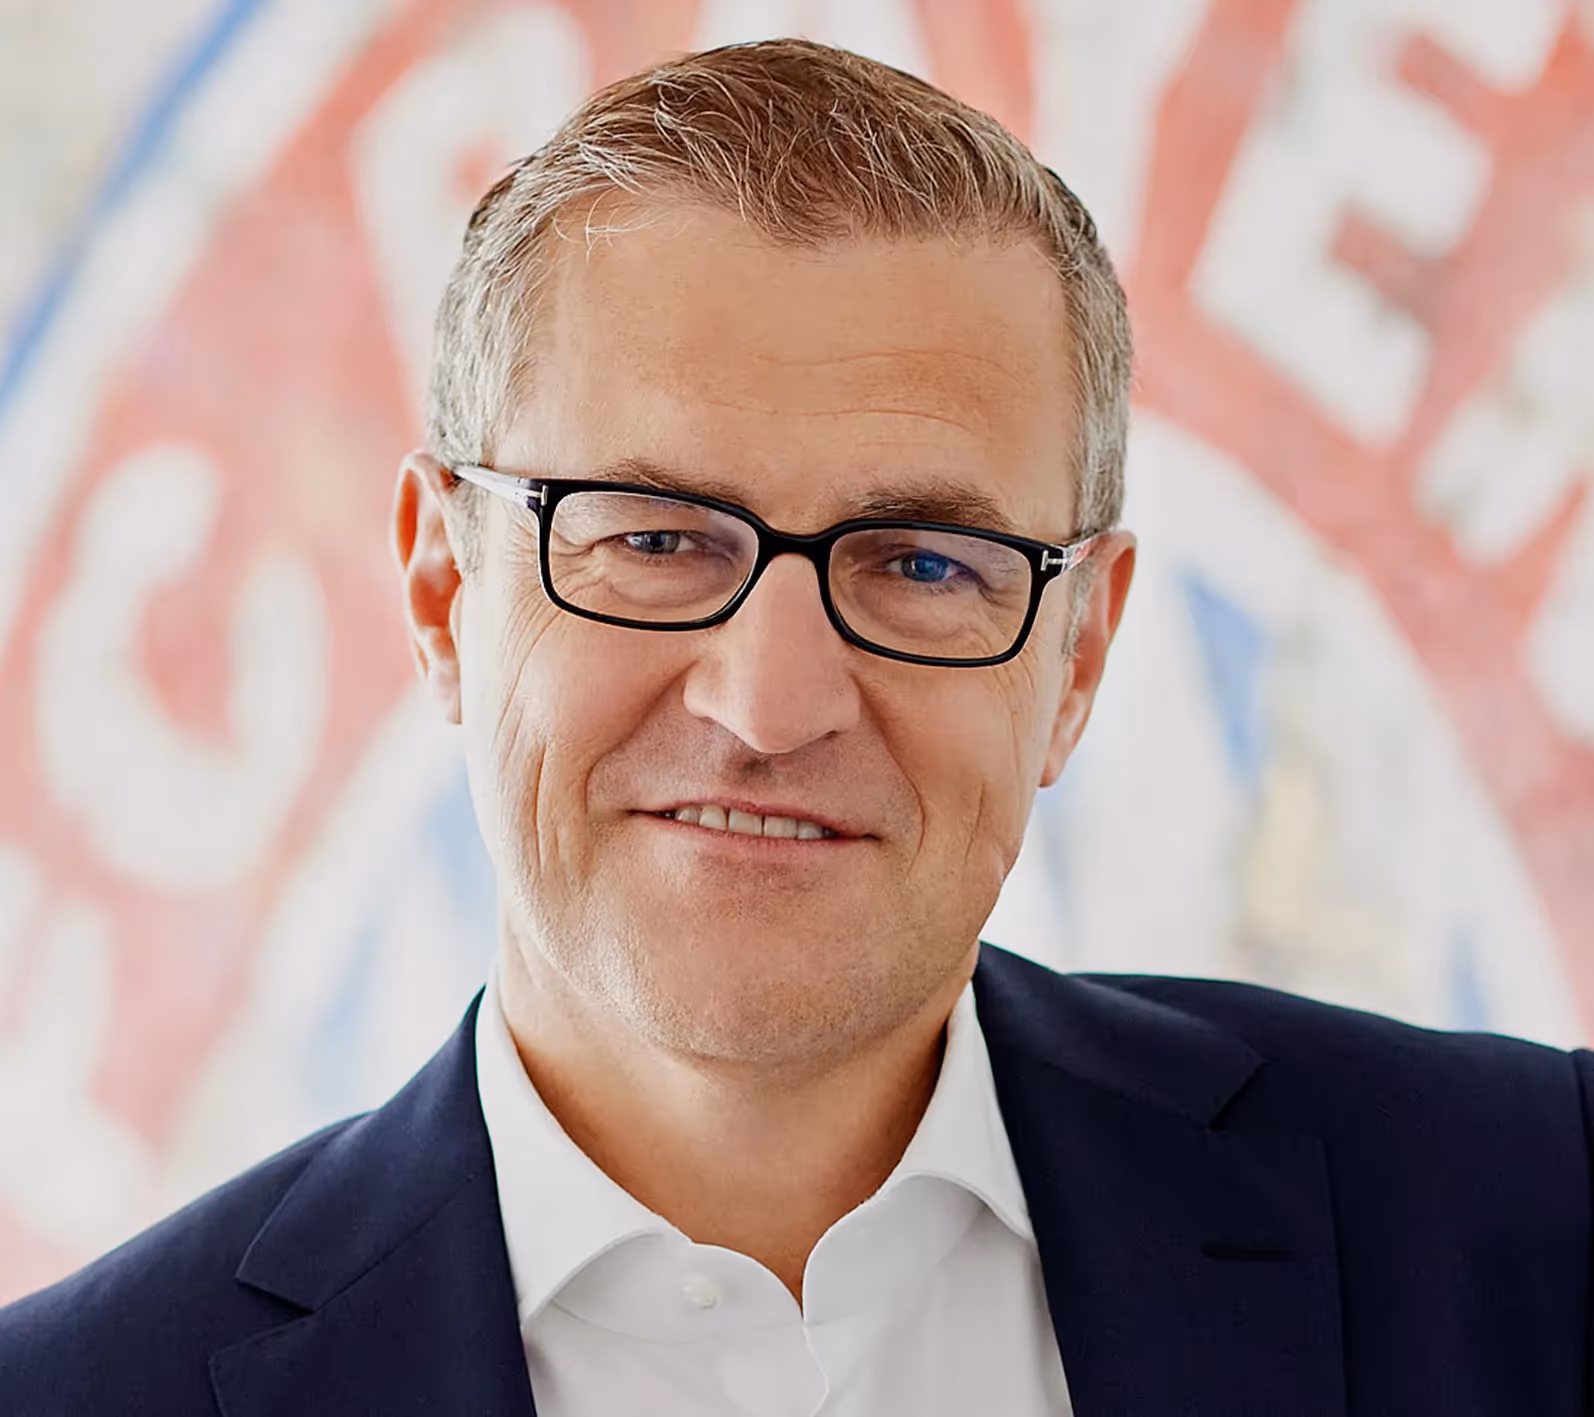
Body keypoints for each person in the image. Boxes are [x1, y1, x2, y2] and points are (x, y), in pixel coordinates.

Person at [2, 36, 1590, 1417]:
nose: (766, 707)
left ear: (1077, 655)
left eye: (921, 564)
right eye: (652, 539)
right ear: (442, 591)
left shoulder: (1529, 1222)